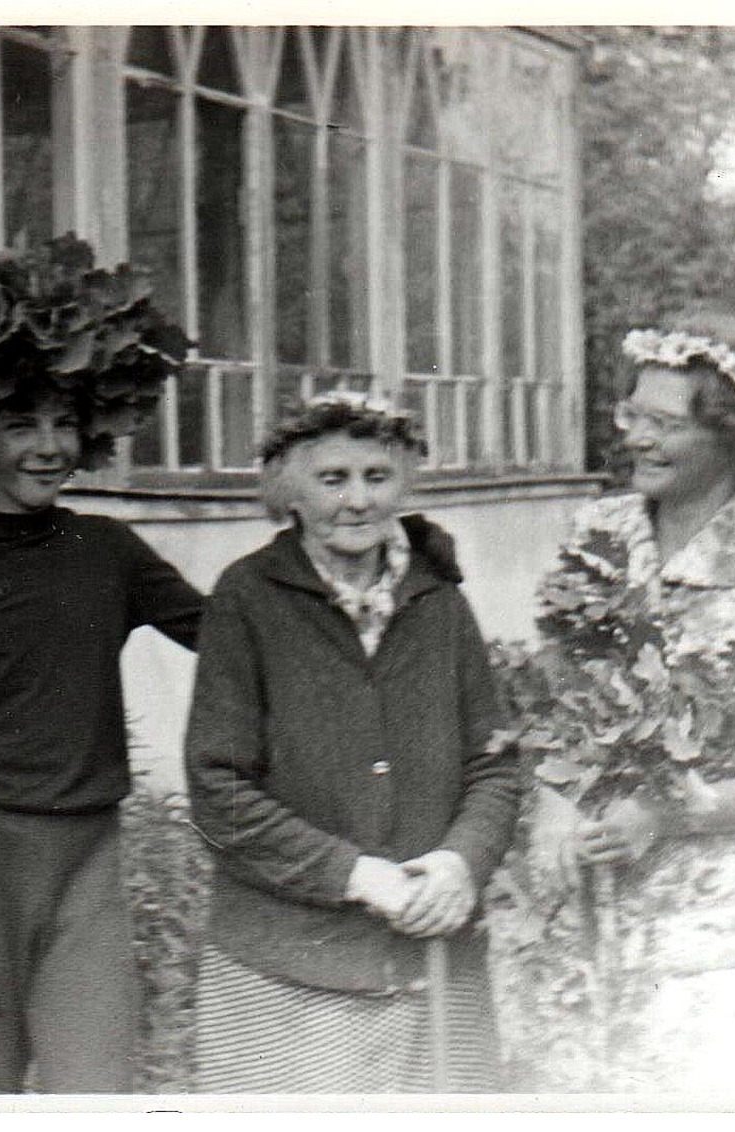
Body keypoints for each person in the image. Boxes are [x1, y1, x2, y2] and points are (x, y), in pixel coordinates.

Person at [525, 316, 735, 1093]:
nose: (636, 439)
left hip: (711, 930)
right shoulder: (599, 531)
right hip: (576, 903)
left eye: (665, 424)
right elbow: (560, 693)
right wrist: (552, 804)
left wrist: (671, 813)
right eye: (632, 415)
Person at [184, 393, 519, 1094]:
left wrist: (458, 865)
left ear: (404, 483)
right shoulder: (247, 599)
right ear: (289, 492)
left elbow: (493, 761)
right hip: (287, 968)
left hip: (433, 959)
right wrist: (357, 875)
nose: (358, 500)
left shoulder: (440, 603)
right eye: (332, 479)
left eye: (377, 476)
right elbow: (219, 790)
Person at [0, 377, 202, 1093]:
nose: (49, 446)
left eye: (65, 424)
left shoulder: (107, 549)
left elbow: (225, 631)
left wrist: (344, 565)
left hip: (87, 860)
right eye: (22, 424)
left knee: (100, 1092)